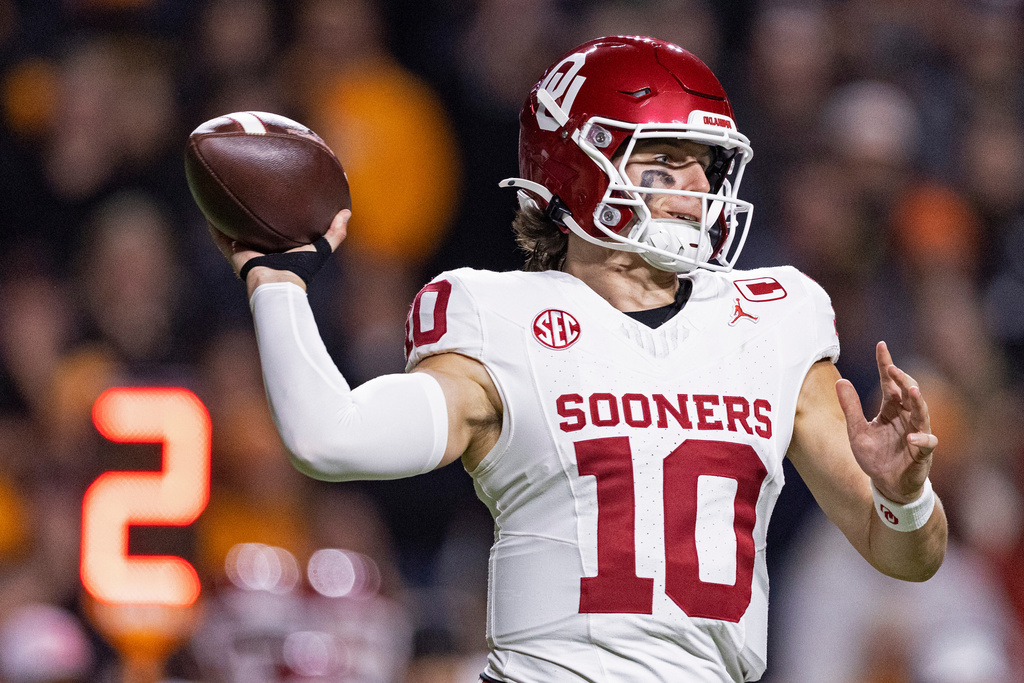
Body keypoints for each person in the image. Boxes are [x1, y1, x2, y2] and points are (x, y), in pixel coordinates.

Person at [209, 36, 947, 683]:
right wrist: (274, 282)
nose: (696, 186)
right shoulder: (500, 319)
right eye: (664, 159)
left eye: (705, 164)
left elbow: (907, 554)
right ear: (576, 165)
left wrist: (905, 493)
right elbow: (328, 437)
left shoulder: (774, 318)